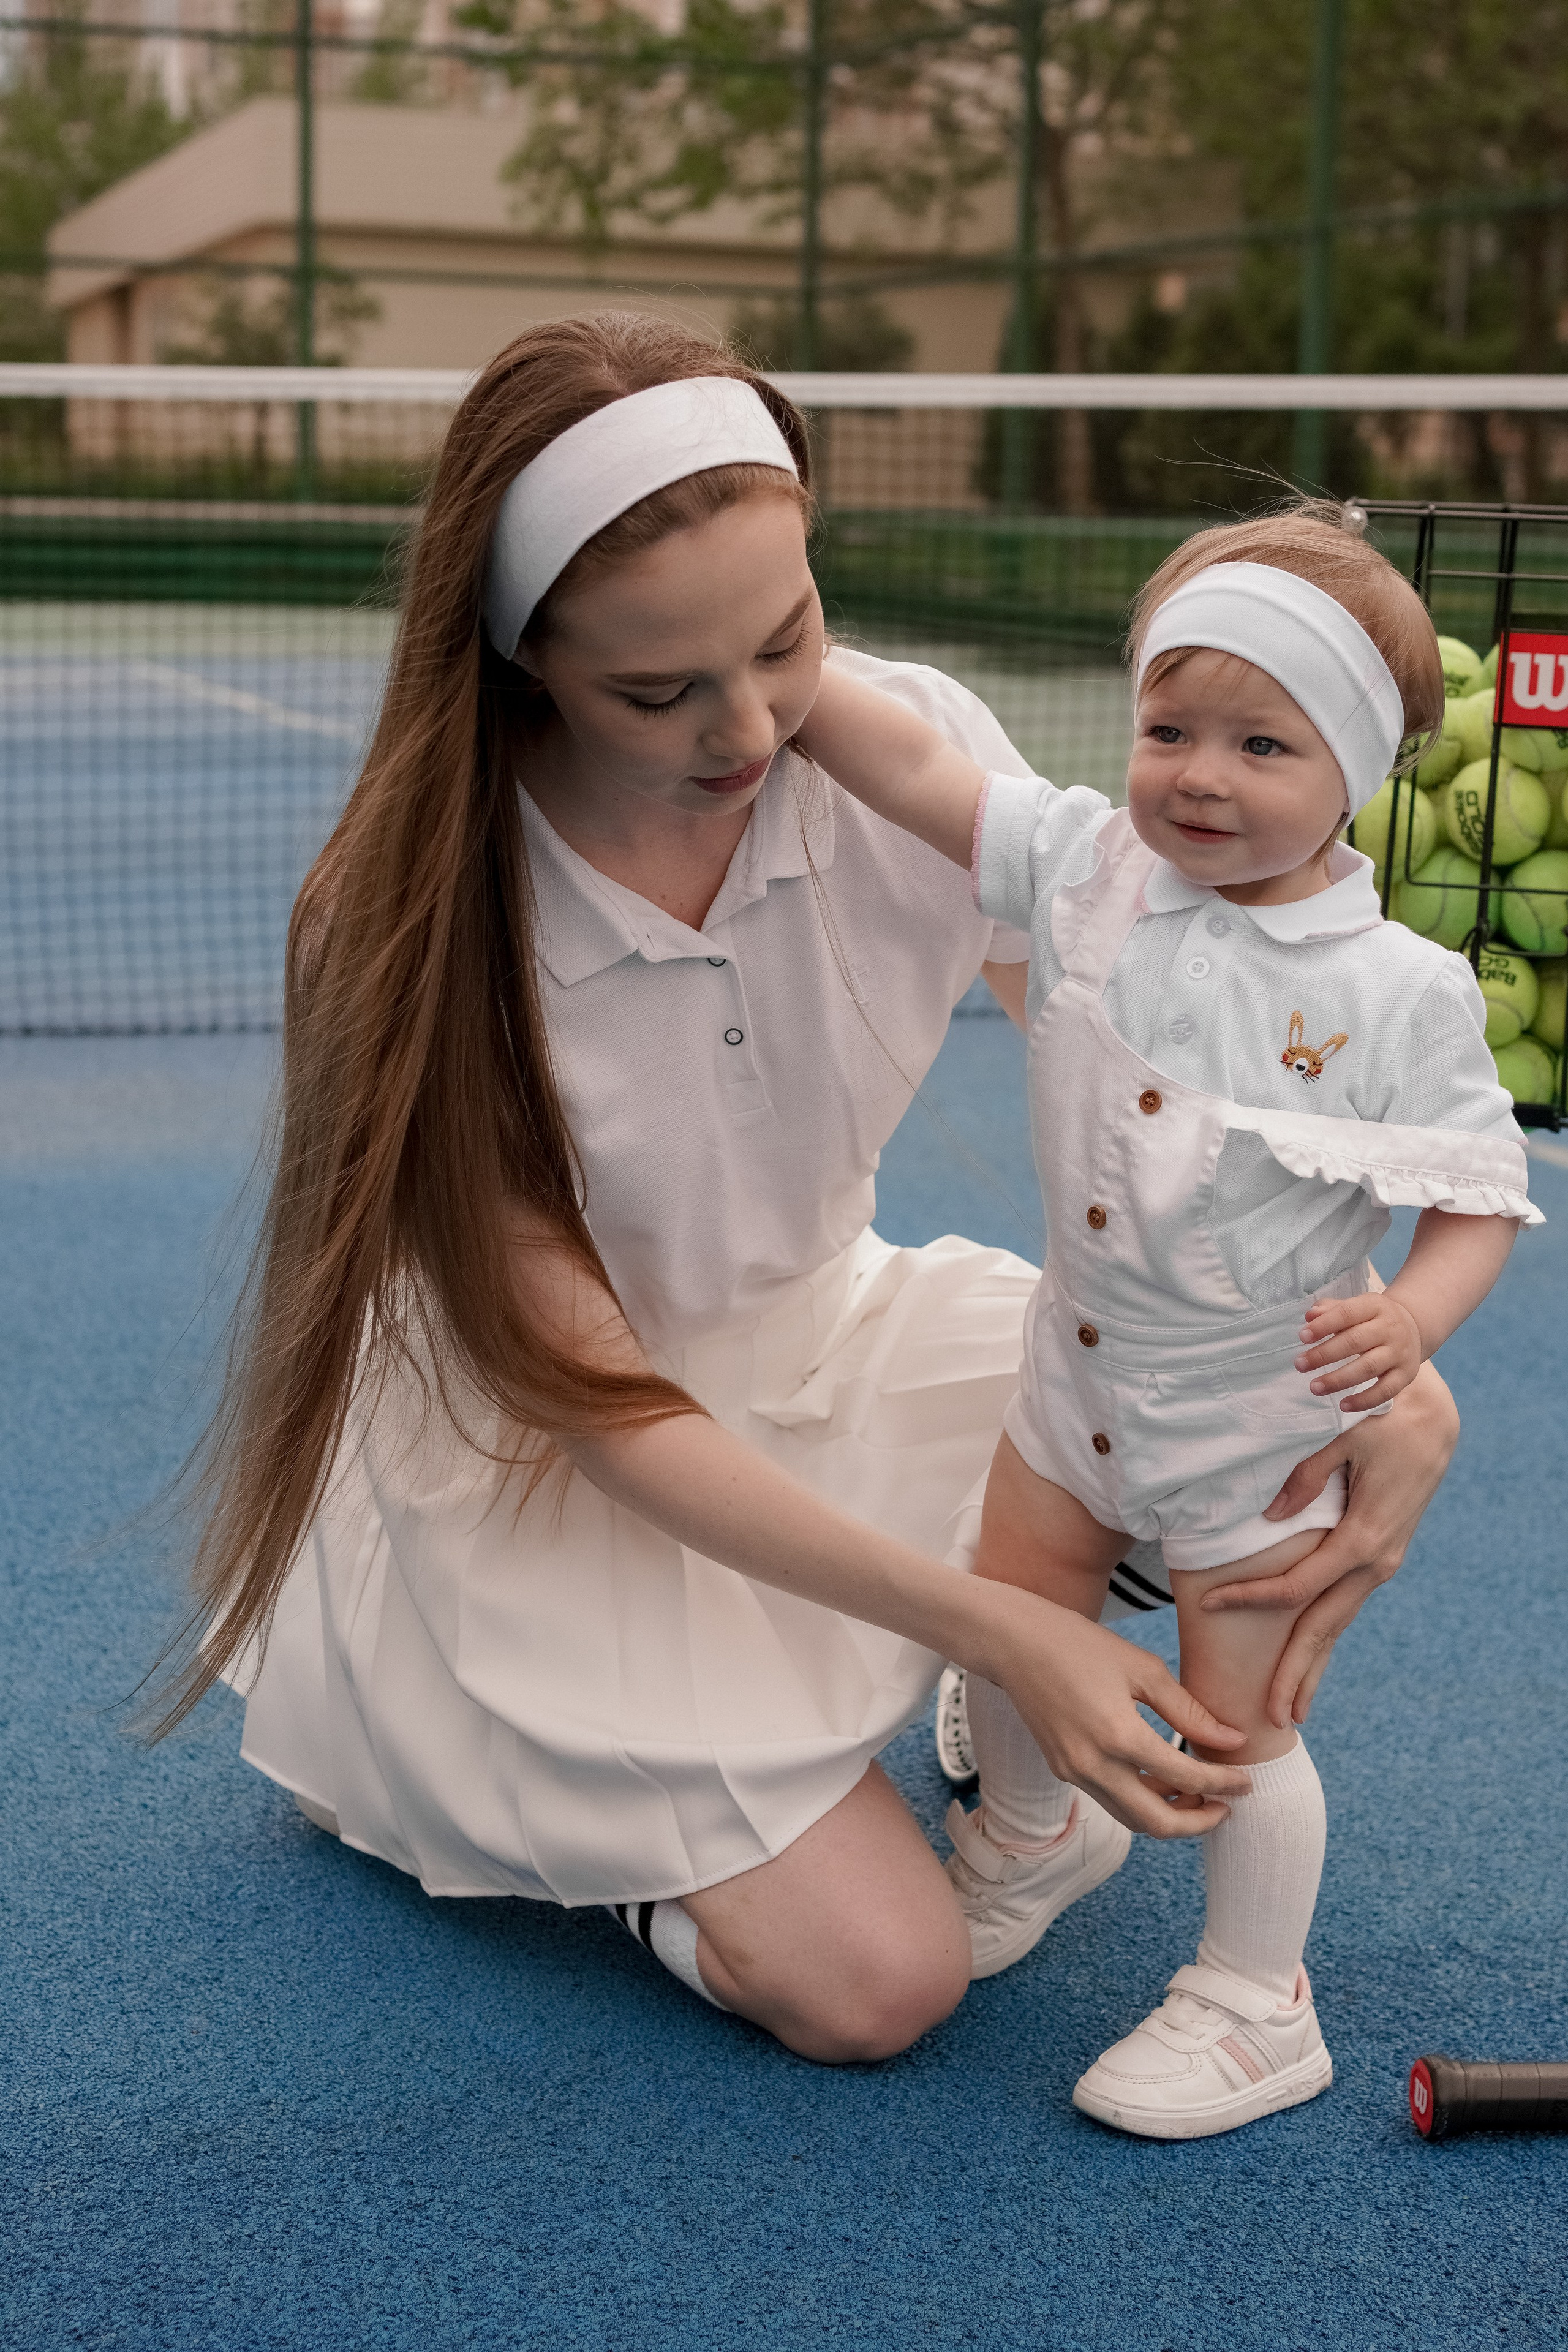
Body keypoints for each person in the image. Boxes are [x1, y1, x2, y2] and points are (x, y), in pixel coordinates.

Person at [162, 314, 1461, 2067]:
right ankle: (458, 1760)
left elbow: (1173, 1100)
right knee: (878, 1985)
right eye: (656, 690)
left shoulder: (913, 751)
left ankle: (925, 1674)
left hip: (831, 1340)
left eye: (788, 640)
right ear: (520, 656)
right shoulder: (403, 927)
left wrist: (1390, 1371)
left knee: (1226, 1423)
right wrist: (1000, 1616)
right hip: (562, 1463)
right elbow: (605, 1403)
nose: (753, 726)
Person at [792, 508, 1539, 2127]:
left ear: (1356, 765)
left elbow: (1477, 1197)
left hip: (1253, 1430)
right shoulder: (1090, 866)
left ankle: (1260, 2000)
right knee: (1016, 1606)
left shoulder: (1400, 986)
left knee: (1239, 1723)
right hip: (1070, 1383)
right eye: (1168, 728)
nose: (1199, 773)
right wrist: (778, 658)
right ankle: (1033, 1832)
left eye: (1263, 742)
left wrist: (1411, 1325)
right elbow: (922, 775)